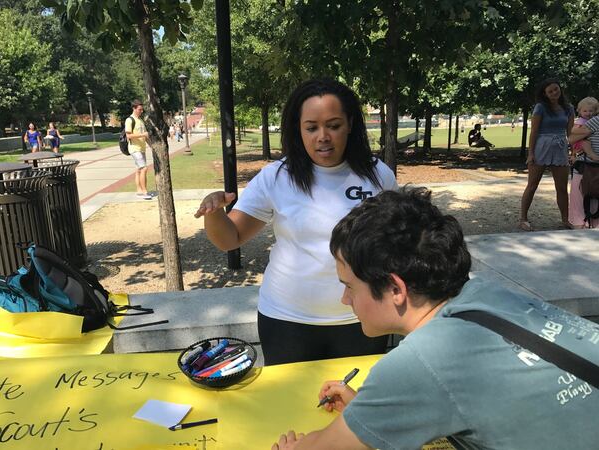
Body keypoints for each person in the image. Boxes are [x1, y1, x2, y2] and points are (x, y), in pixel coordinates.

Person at [272, 188, 599, 450]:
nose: (345, 300)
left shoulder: (418, 363)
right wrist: (374, 411)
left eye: (349, 287)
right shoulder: (488, 294)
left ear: (395, 288)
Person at [195, 79, 398, 365]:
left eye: (334, 125)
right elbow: (230, 238)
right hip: (287, 320)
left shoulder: (378, 175)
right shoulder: (277, 177)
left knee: (354, 405)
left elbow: (398, 240)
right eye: (312, 127)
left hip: (362, 318)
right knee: (289, 408)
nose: (323, 136)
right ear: (298, 129)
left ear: (350, 124)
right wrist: (214, 212)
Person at [519, 78, 574, 231]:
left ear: (560, 89)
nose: (554, 93)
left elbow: (570, 133)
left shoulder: (568, 108)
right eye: (550, 91)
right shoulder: (540, 107)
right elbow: (534, 131)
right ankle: (523, 218)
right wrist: (530, 154)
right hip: (541, 147)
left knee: (562, 187)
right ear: (545, 94)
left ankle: (565, 220)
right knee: (532, 185)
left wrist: (574, 151)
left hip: (560, 147)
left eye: (556, 89)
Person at [568, 97, 599, 228]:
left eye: (591, 110)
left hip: (588, 163)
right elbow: (571, 137)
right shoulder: (594, 121)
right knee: (583, 193)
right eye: (585, 110)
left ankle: (583, 223)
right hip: (588, 164)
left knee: (584, 194)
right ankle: (582, 223)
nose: (588, 113)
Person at [125, 99, 152, 200]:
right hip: (134, 148)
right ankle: (145, 192)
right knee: (144, 168)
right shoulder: (129, 120)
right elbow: (129, 135)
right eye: (139, 109)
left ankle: (139, 190)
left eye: (142, 109)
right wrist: (143, 134)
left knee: (138, 170)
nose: (141, 111)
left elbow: (146, 136)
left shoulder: (140, 121)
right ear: (134, 108)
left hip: (142, 148)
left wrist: (151, 146)